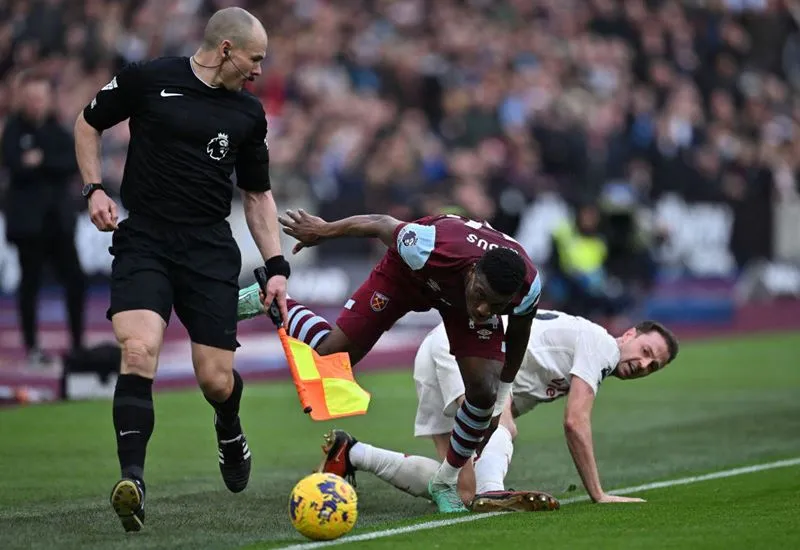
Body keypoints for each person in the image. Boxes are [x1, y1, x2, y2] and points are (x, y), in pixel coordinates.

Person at [73, 7, 290, 532]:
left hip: (209, 249)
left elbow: (257, 195)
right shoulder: (150, 78)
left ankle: (229, 426)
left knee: (215, 380)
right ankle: (133, 483)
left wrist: (277, 265)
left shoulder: (248, 114)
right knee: (138, 349)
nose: (259, 70)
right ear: (226, 50)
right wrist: (94, 188)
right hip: (145, 238)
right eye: (255, 59)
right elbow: (87, 122)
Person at [241, 209, 542, 513]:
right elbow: (380, 224)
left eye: (496, 305)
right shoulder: (429, 245)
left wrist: (500, 401)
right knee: (330, 358)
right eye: (482, 295)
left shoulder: (526, 288)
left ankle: (445, 482)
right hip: (408, 276)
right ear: (473, 271)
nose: (482, 308)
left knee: (483, 393)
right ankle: (271, 297)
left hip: (456, 300)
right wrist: (324, 229)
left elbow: (517, 338)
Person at [315, 310, 679, 511]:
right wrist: (598, 494)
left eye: (653, 367)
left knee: (458, 490)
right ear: (630, 335)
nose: (644, 365)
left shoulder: (576, 354)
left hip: (443, 348)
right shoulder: (603, 346)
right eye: (647, 352)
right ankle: (495, 493)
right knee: (500, 431)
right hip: (467, 352)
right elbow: (575, 421)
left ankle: (353, 453)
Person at [1, 72, 86, 367]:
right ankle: (32, 346)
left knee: (75, 281)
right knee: (30, 284)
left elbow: (70, 163)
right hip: (29, 225)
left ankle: (77, 344)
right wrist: (46, 163)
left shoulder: (58, 130)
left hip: (59, 222)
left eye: (40, 98)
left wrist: (40, 160)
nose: (36, 104)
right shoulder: (13, 130)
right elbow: (15, 164)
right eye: (31, 98)